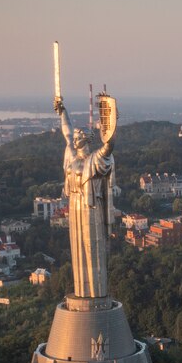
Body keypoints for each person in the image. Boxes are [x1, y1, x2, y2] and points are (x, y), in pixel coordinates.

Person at [55, 97, 115, 299]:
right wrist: (63, 111)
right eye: (77, 135)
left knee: (92, 248)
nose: (76, 137)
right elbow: (66, 131)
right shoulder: (72, 156)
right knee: (77, 248)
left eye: (80, 135)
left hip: (91, 208)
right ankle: (82, 292)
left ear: (88, 139)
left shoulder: (95, 159)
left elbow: (109, 147)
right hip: (74, 207)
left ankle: (97, 294)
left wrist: (109, 122)